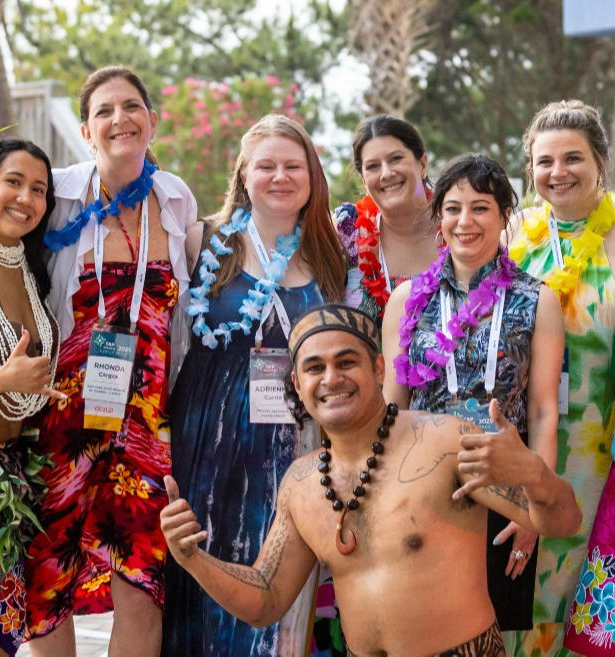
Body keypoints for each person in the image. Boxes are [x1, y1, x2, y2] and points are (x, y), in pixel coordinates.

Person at [161, 304, 582, 657]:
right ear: (297, 383)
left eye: (347, 362)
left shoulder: (447, 440)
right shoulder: (302, 483)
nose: (331, 379)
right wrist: (193, 558)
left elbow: (563, 522)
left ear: (378, 369)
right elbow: (265, 600)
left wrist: (534, 474)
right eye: (314, 367)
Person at [23, 66, 196, 657]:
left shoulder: (175, 198)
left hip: (147, 425)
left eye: (131, 106)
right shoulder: (58, 194)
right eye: (104, 110)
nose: (119, 118)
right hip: (63, 421)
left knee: (145, 582)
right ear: (85, 128)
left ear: (152, 119)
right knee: (47, 582)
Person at [161, 114, 346, 657]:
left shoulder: (330, 256)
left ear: (312, 176)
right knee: (200, 577)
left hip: (291, 448)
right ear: (244, 173)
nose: (280, 176)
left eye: (293, 166)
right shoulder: (202, 240)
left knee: (277, 587)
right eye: (266, 165)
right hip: (206, 445)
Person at [381, 154, 565, 635]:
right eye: (453, 208)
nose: (466, 222)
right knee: (421, 634)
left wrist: (534, 507)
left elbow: (545, 412)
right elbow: (391, 409)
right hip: (420, 491)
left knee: (492, 634)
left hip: (505, 489)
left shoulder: (537, 299)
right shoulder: (406, 301)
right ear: (438, 218)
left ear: (506, 214)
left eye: (481, 207)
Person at [504, 100, 615, 657]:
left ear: (601, 162)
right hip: (520, 453)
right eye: (544, 162)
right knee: (515, 600)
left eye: (574, 158)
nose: (558, 172)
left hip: (595, 461)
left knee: (577, 601)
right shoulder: (512, 238)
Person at [0, 135, 64, 656]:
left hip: (9, 484)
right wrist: (0, 381)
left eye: (39, 189)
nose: (27, 198)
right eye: (13, 182)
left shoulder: (30, 270)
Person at [335, 115, 438, 323]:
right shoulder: (346, 231)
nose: (386, 173)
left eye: (396, 159)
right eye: (373, 166)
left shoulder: (459, 224)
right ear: (364, 180)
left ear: (423, 164)